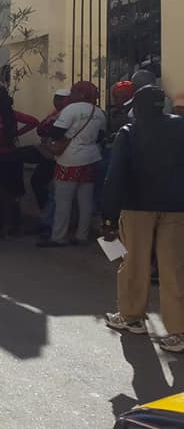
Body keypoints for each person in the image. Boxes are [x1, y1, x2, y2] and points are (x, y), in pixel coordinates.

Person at [102, 86, 184, 353]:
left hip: (137, 208)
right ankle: (178, 332)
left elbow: (115, 176)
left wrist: (109, 216)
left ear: (137, 107)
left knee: (135, 263)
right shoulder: (181, 127)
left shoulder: (129, 132)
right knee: (174, 268)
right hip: (176, 207)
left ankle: (131, 317)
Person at [38, 81, 107, 248]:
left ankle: (59, 237)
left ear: (82, 94)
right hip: (91, 158)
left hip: (70, 159)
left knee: (63, 201)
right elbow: (100, 136)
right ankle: (81, 236)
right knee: (86, 201)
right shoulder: (99, 112)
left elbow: (56, 131)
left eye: (74, 92)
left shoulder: (71, 109)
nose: (71, 95)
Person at [0, 86, 39, 238]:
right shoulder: (12, 114)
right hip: (13, 155)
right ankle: (15, 226)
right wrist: (15, 134)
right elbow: (34, 121)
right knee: (13, 193)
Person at [29, 89, 71, 239]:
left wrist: (47, 130)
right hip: (49, 153)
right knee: (39, 183)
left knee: (51, 190)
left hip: (59, 156)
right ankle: (46, 220)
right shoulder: (56, 113)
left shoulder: (67, 113)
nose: (57, 101)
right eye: (56, 98)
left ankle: (50, 224)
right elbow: (42, 129)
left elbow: (49, 130)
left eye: (60, 99)